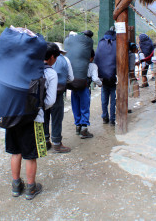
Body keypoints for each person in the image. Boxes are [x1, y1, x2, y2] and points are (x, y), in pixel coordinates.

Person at [6, 42, 59, 200]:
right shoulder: (50, 73)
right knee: (30, 155)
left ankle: (16, 186)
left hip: (12, 115)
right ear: (51, 57)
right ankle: (31, 188)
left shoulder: (23, 66)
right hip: (33, 118)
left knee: (16, 152)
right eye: (55, 57)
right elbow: (50, 101)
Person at [44, 42, 74, 153]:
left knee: (44, 117)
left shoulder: (40, 60)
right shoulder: (65, 60)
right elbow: (71, 78)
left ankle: (45, 141)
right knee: (56, 118)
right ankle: (57, 143)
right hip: (58, 93)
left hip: (43, 92)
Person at [69, 30, 94, 138]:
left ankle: (77, 127)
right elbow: (96, 78)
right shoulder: (92, 64)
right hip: (84, 86)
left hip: (74, 85)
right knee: (84, 107)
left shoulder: (74, 56)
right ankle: (84, 129)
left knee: (75, 106)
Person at [94, 29, 116, 126]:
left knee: (104, 99)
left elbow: (96, 59)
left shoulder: (100, 43)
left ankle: (104, 117)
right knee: (113, 99)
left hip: (103, 77)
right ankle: (112, 119)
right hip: (113, 77)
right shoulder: (116, 44)